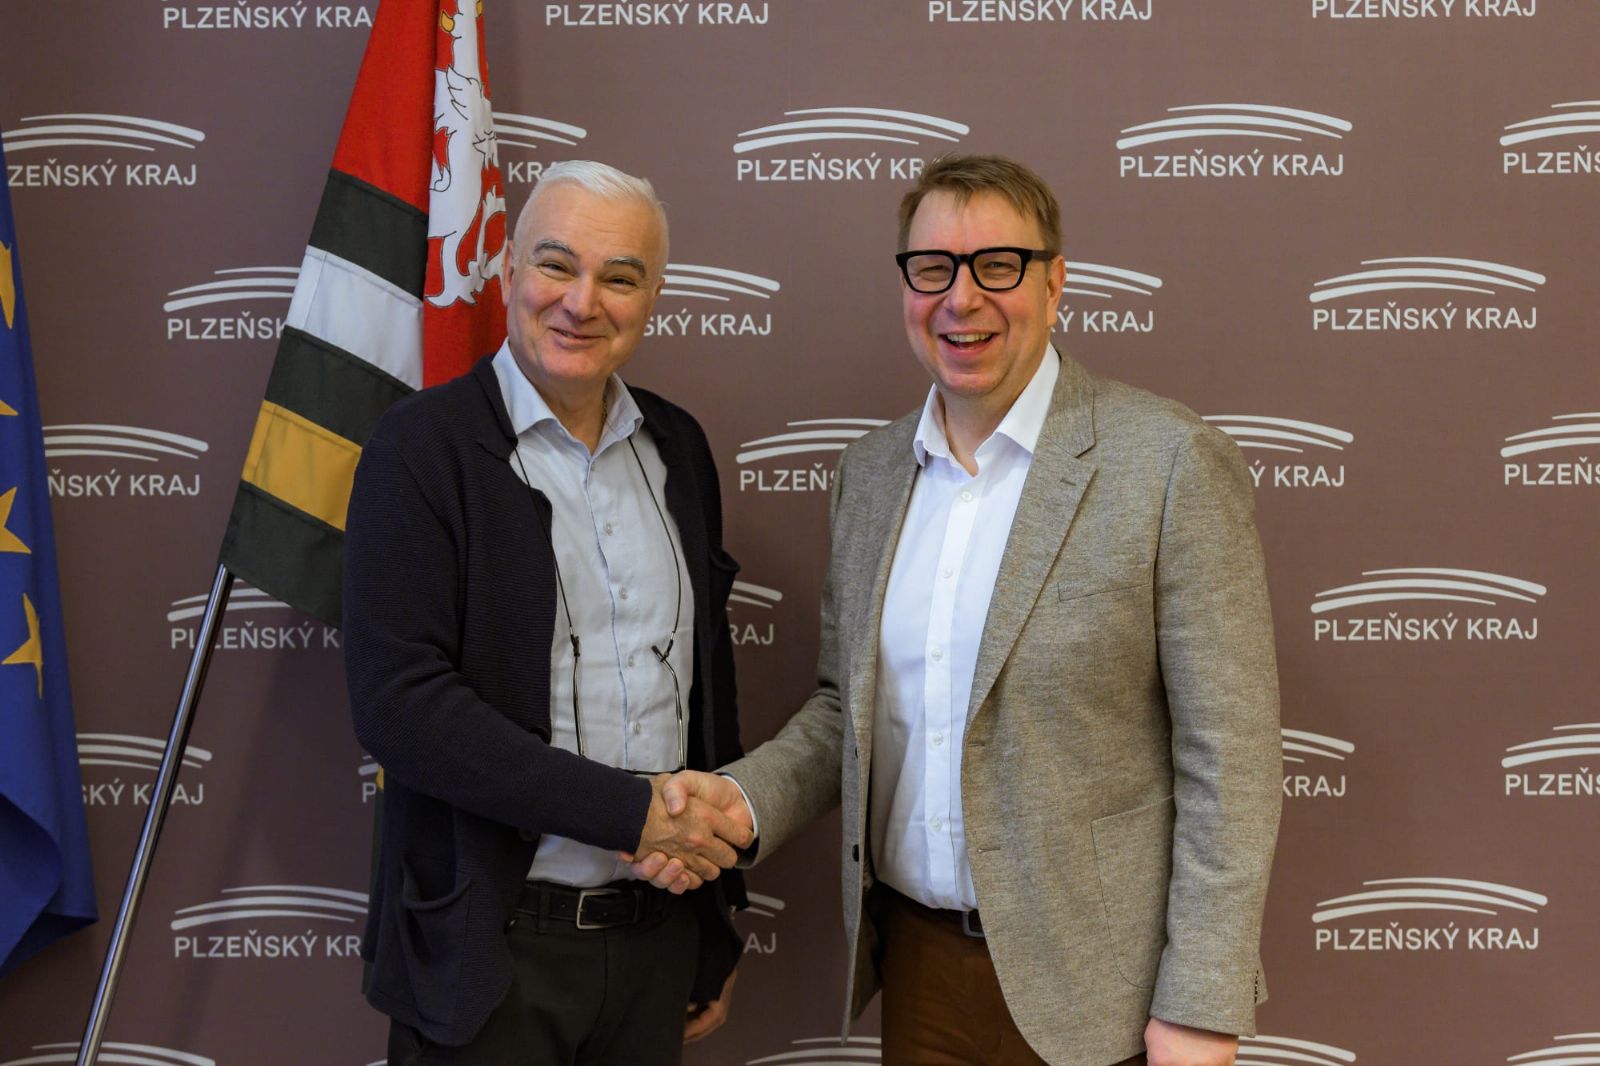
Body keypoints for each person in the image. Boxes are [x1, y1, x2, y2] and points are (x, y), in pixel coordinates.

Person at [636, 155, 1282, 1066]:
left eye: (998, 266)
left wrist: (1201, 1004)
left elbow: (1232, 759)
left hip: (1106, 991)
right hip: (920, 969)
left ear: (1055, 283)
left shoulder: (1169, 462)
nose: (961, 298)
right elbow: (844, 714)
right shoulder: (869, 476)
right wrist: (737, 804)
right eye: (933, 267)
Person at [344, 160, 753, 1065]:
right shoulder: (420, 448)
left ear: (653, 298)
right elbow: (399, 705)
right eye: (556, 265)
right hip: (489, 956)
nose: (581, 302)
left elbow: (705, 693)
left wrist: (717, 918)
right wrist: (628, 813)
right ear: (507, 271)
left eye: (620, 277)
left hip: (657, 941)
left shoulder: (680, 448)